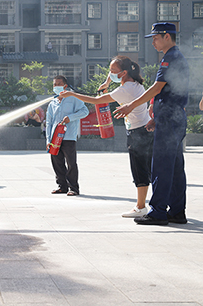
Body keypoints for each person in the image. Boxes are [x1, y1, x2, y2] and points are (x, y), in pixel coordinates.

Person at [114, 22, 189, 225]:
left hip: (170, 120)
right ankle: (177, 211)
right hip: (172, 118)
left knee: (161, 167)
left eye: (155, 38)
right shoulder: (175, 57)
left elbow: (157, 88)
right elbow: (170, 92)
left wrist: (130, 105)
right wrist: (157, 115)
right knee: (174, 167)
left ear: (167, 36)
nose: (153, 42)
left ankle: (158, 212)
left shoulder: (170, 58)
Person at [60, 56, 154, 217]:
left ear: (124, 73)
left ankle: (140, 206)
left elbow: (97, 100)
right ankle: (144, 205)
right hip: (141, 130)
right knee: (143, 169)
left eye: (113, 72)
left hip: (138, 132)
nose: (110, 74)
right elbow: (113, 77)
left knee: (140, 171)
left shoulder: (126, 90)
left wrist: (72, 94)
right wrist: (107, 82)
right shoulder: (134, 82)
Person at [46, 75, 89, 196]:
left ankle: (73, 188)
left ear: (65, 86)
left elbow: (84, 111)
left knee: (71, 163)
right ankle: (62, 186)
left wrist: (70, 118)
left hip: (68, 136)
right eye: (54, 84)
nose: (56, 86)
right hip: (55, 138)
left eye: (59, 84)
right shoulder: (52, 103)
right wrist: (48, 140)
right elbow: (48, 123)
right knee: (57, 162)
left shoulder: (73, 98)